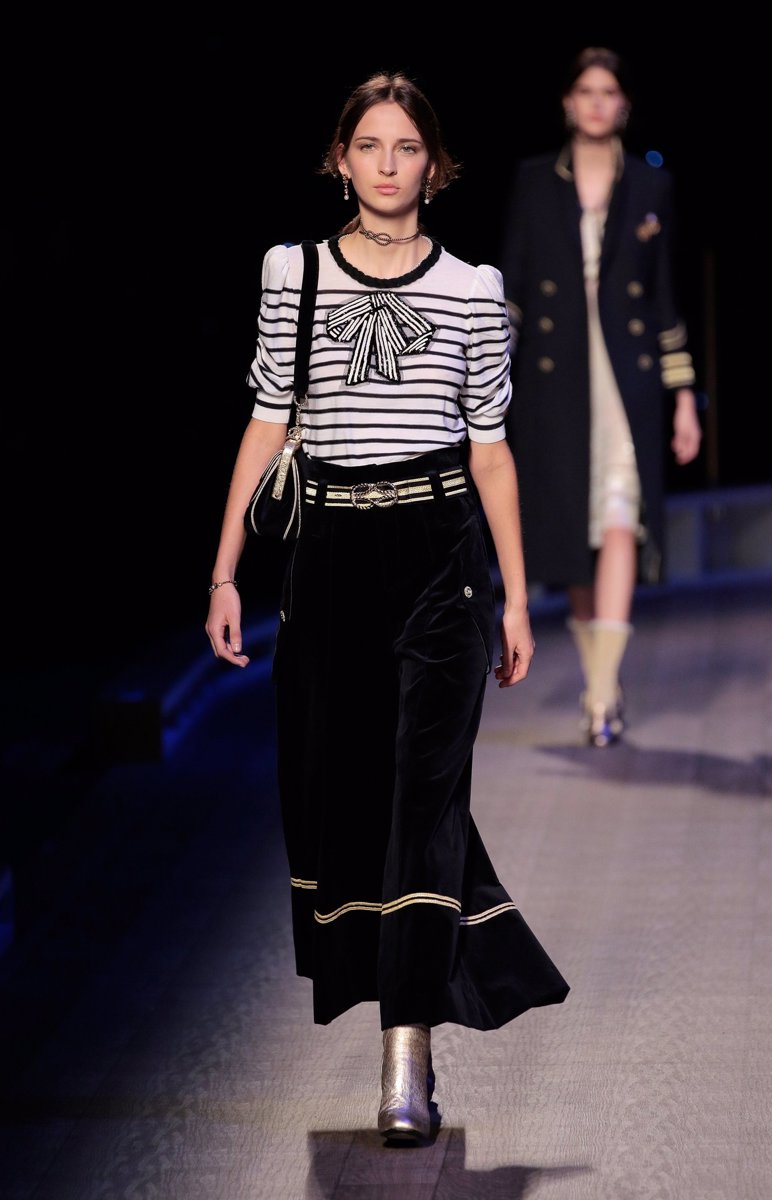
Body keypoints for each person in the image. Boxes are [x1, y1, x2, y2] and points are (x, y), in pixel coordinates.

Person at [205, 71, 569, 1144]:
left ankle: (404, 1054)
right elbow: (267, 419)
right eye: (368, 145)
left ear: (435, 167)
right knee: (350, 798)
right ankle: (413, 1004)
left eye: (406, 147)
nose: (386, 164)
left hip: (438, 558)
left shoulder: (473, 290)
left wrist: (514, 597)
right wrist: (224, 572)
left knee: (426, 797)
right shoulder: (293, 272)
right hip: (327, 562)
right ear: (339, 159)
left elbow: (490, 451)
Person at [500, 47, 703, 748]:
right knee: (573, 533)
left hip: (628, 380)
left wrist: (683, 396)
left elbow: (664, 294)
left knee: (621, 514)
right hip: (554, 382)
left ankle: (602, 689)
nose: (595, 102)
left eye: (608, 91)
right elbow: (514, 289)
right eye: (584, 90)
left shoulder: (651, 185)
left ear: (624, 105)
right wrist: (489, 374)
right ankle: (600, 687)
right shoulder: (535, 181)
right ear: (567, 101)